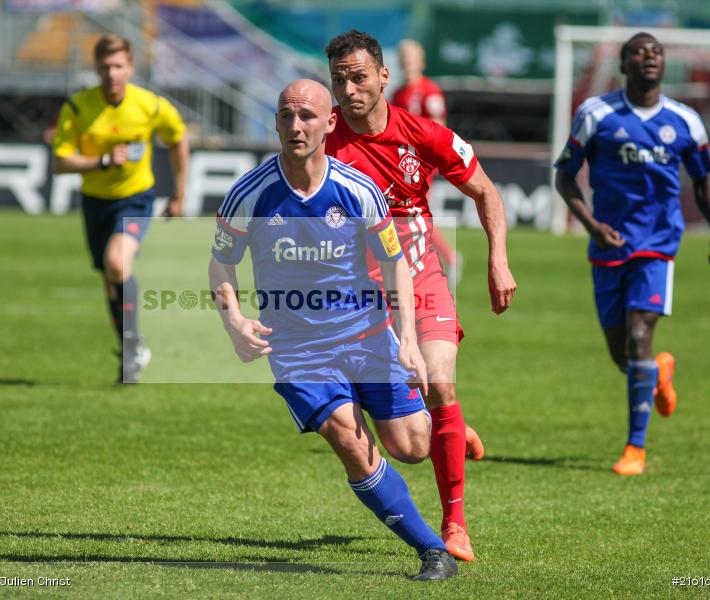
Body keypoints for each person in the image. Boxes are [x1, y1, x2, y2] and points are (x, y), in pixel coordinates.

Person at [208, 79, 458, 581]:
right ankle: (433, 551)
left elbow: (394, 264)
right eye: (285, 115)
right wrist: (234, 320)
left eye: (306, 116)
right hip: (299, 349)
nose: (295, 126)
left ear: (329, 123)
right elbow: (221, 263)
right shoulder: (250, 192)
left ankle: (449, 430)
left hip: (367, 334)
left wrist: (407, 337)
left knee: (409, 447)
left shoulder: (358, 189)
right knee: (346, 436)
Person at [324, 30, 517, 562]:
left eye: (359, 77)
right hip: (359, 295)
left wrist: (496, 260)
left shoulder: (424, 133)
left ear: (384, 77)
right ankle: (445, 426)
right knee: (407, 448)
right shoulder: (322, 141)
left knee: (438, 378)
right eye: (339, 80)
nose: (349, 89)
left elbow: (486, 192)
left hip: (420, 275)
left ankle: (455, 523)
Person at [554, 32, 710, 475]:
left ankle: (635, 448)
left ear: (664, 64)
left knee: (638, 337)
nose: (648, 58)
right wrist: (592, 224)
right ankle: (659, 372)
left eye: (656, 53)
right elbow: (565, 177)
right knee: (622, 355)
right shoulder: (596, 114)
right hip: (608, 246)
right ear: (624, 65)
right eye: (638, 53)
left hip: (658, 245)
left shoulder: (685, 121)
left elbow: (703, 179)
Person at [52, 33, 189, 383]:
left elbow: (178, 138)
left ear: (130, 67)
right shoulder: (78, 107)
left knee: (117, 262)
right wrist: (100, 160)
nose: (112, 73)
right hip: (96, 202)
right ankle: (131, 349)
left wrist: (179, 194)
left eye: (118, 66)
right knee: (110, 279)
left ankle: (132, 344)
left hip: (135, 198)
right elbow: (60, 162)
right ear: (96, 69)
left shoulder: (149, 105)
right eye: (105, 67)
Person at [391, 39, 460, 283]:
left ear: (421, 61)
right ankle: (429, 259)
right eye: (403, 57)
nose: (406, 62)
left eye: (411, 57)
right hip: (399, 163)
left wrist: (428, 156)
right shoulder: (398, 92)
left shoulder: (429, 90)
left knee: (414, 212)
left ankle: (448, 258)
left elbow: (440, 127)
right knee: (404, 212)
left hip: (420, 162)